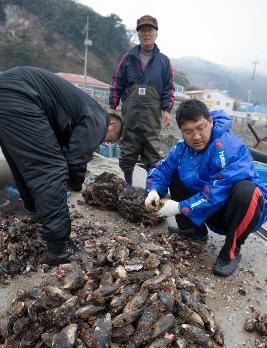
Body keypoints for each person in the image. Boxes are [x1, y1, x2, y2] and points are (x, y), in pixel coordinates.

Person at [0, 66, 123, 265]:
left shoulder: (82, 108)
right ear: (111, 126)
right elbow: (76, 156)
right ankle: (59, 248)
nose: (103, 143)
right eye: (109, 140)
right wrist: (75, 184)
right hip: (19, 93)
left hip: (8, 89)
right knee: (51, 168)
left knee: (24, 162)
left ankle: (36, 211)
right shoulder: (100, 119)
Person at [145, 99, 267, 277]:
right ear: (181, 131)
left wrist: (179, 207)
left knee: (246, 191)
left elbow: (218, 193)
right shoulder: (182, 147)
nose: (196, 137)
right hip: (209, 209)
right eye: (188, 131)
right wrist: (154, 190)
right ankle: (193, 230)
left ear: (210, 122)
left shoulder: (229, 148)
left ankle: (230, 253)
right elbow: (162, 168)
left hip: (238, 214)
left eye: (200, 128)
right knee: (175, 172)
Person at [109, 15, 174, 186]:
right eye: (143, 30)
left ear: (156, 34)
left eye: (150, 30)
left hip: (152, 118)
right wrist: (112, 107)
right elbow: (117, 82)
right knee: (127, 152)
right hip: (130, 116)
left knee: (152, 154)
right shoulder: (128, 58)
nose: (146, 34)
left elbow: (169, 87)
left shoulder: (164, 61)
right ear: (138, 34)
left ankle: (151, 189)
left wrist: (166, 109)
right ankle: (128, 186)